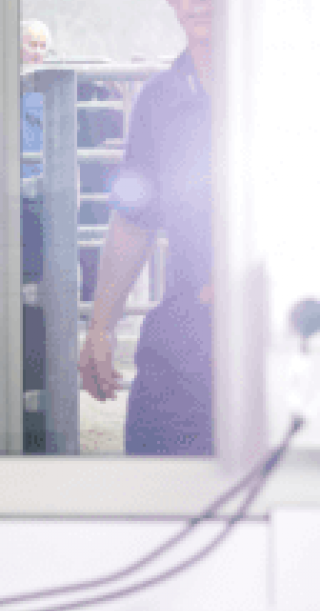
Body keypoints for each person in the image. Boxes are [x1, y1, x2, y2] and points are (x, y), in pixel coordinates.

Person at [77, 0, 215, 455]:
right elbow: (133, 220)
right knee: (152, 452)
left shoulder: (294, 87)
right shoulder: (160, 99)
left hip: (279, 326)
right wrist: (101, 327)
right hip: (188, 322)